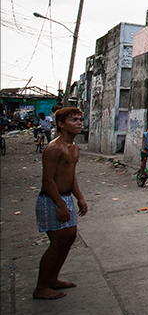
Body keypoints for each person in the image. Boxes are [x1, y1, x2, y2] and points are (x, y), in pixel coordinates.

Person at [33, 107, 88, 300]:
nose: (79, 123)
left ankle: (53, 279)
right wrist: (60, 205)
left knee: (70, 237)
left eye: (80, 119)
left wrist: (79, 197)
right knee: (57, 242)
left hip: (66, 197)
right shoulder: (54, 148)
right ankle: (41, 287)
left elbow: (71, 176)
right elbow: (47, 181)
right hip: (51, 199)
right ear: (61, 124)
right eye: (74, 120)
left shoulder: (74, 147)